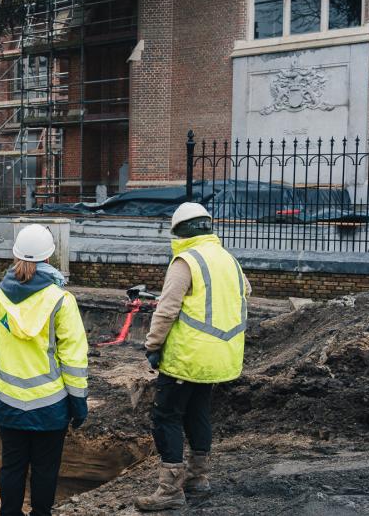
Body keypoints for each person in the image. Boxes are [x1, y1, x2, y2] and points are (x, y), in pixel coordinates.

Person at [136, 203, 250, 511]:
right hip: (221, 355)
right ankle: (199, 479)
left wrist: (153, 345)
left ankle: (170, 488)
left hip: (187, 356)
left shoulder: (185, 261)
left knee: (167, 416)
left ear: (179, 231)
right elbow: (243, 292)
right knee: (198, 413)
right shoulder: (228, 259)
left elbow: (167, 309)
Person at [0, 224, 90, 516]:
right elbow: (74, 358)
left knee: (12, 467)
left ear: (15, 255)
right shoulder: (61, 301)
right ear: (49, 258)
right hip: (51, 406)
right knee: (45, 470)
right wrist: (78, 402)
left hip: (8, 402)